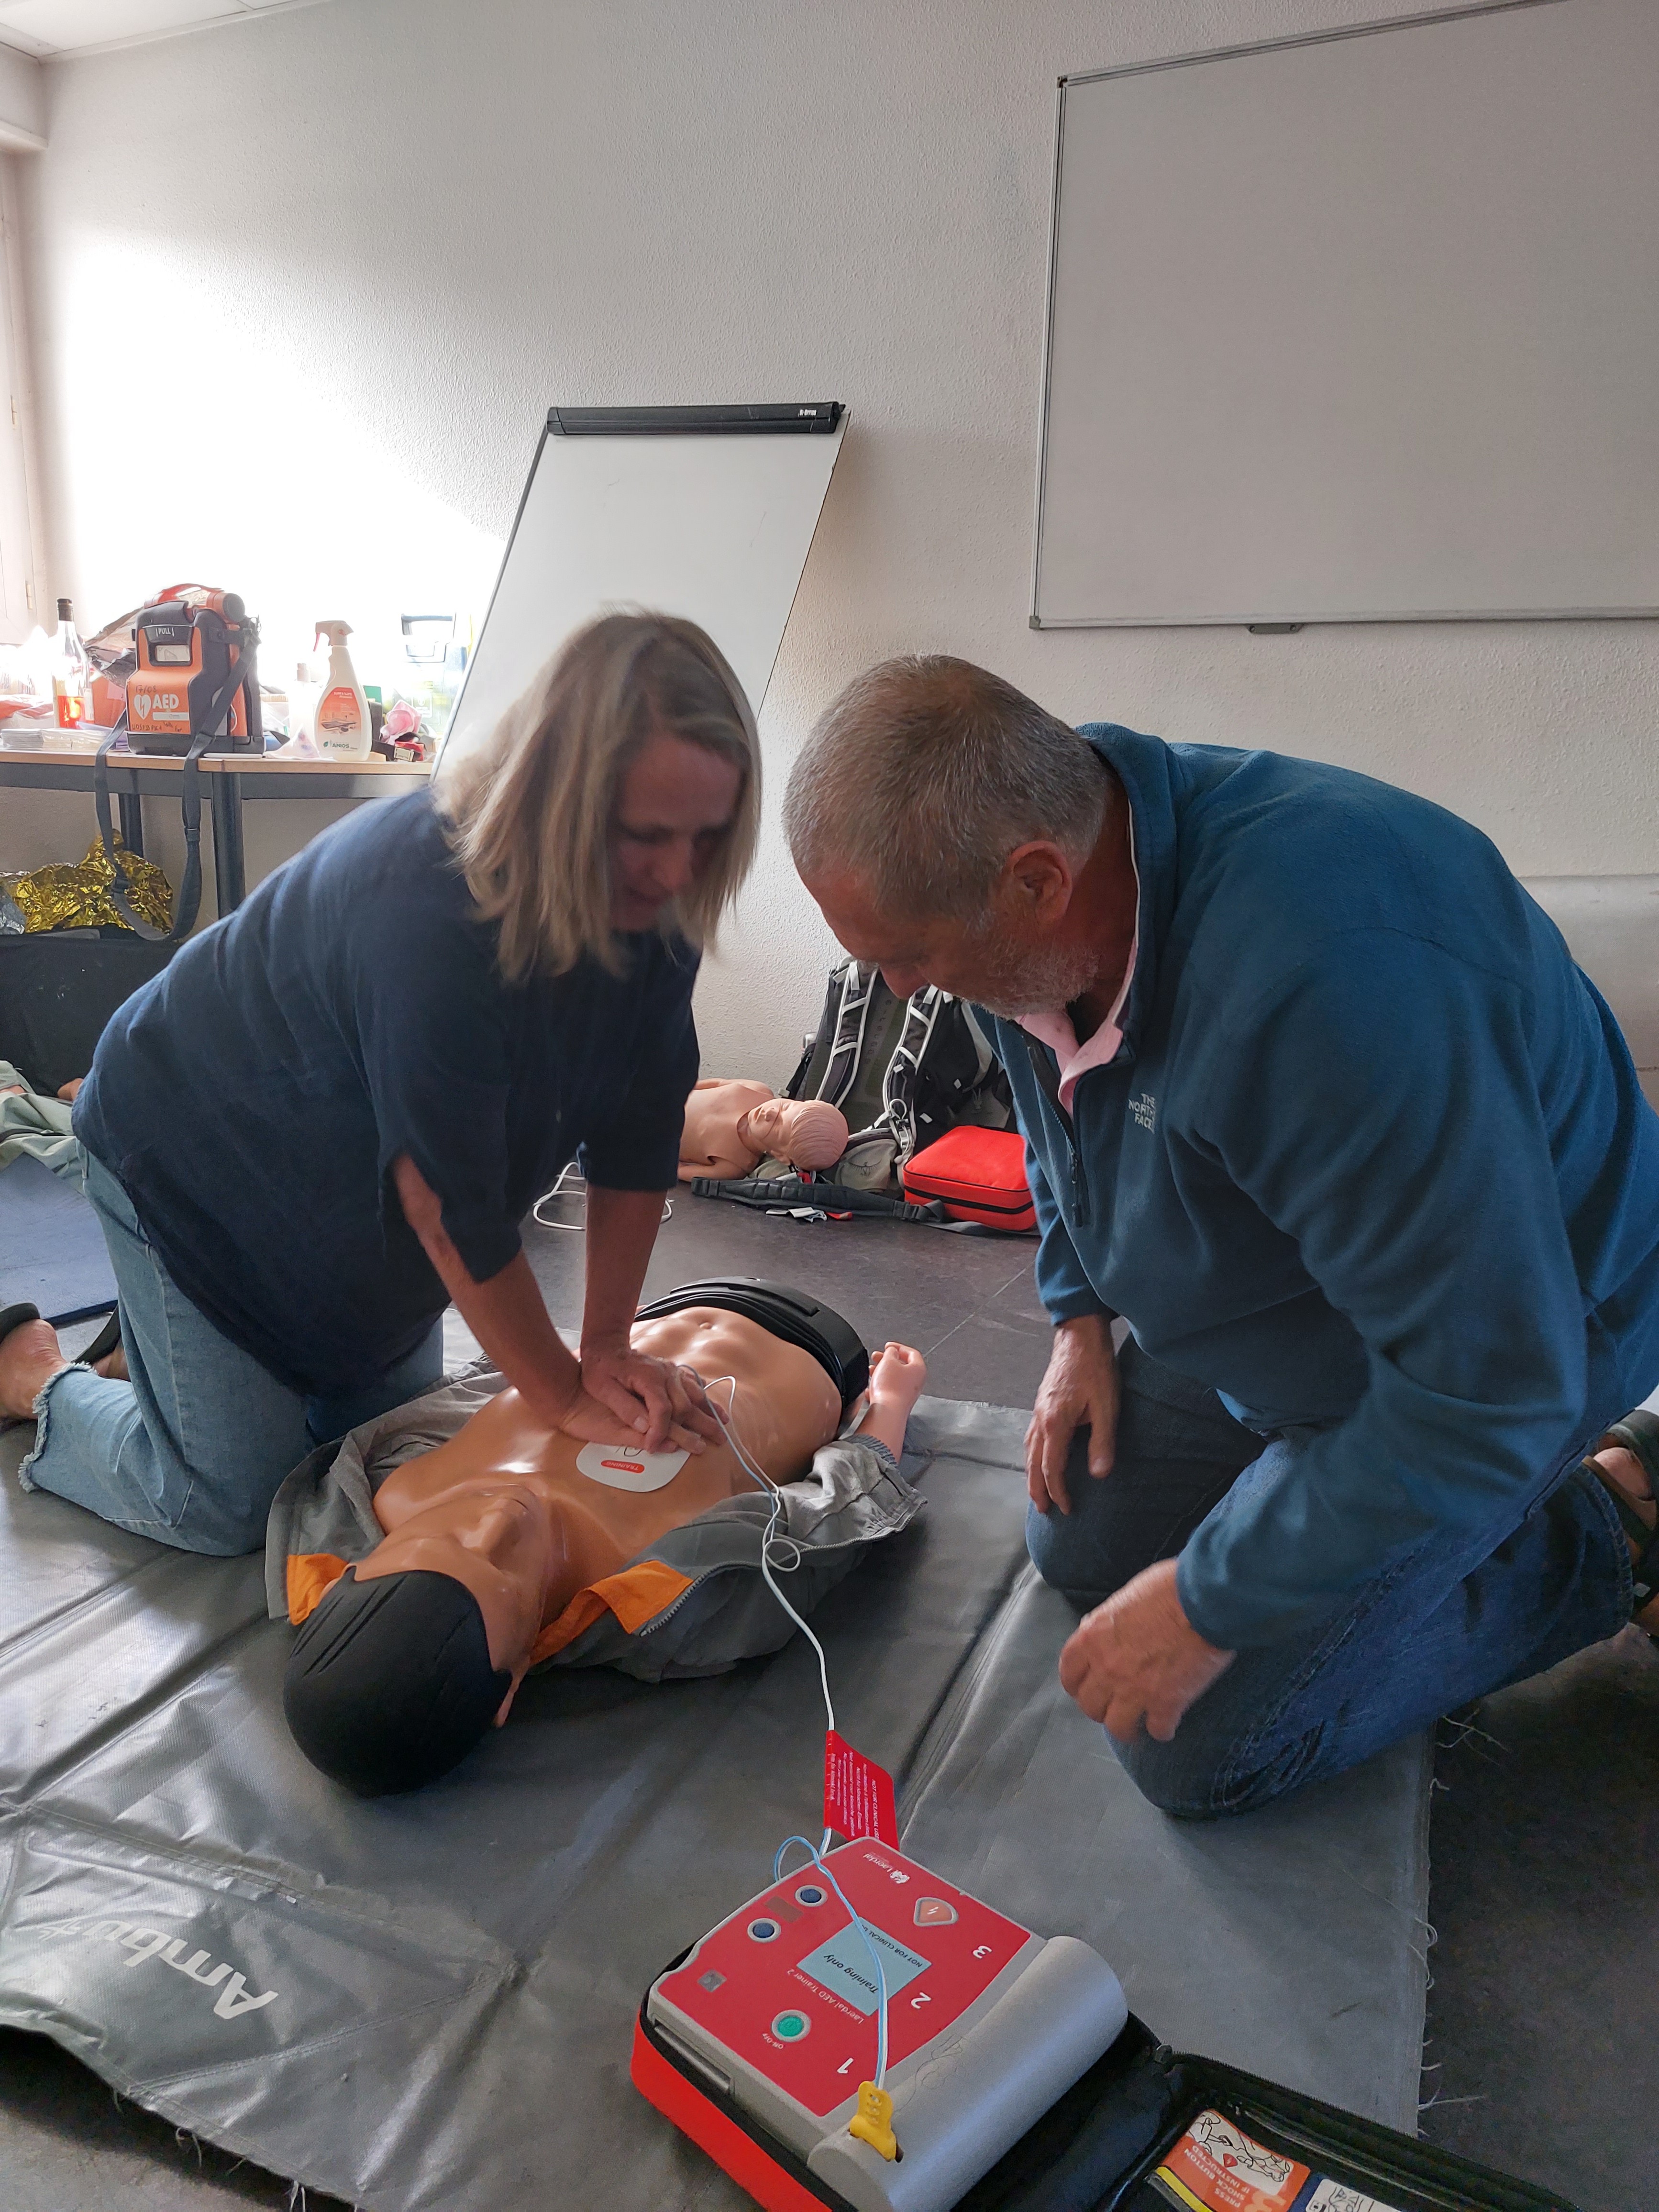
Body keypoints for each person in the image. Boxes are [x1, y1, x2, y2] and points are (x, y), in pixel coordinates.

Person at [784, 655, 1659, 1817]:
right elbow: (1057, 1121)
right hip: (1298, 1309)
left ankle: (1616, 1520)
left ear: (1036, 880)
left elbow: (1483, 1381)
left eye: (908, 959)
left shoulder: (1334, 982)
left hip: (1504, 1346)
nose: (895, 986)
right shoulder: (1061, 876)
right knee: (1074, 1536)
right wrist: (1078, 1316)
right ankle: (1323, 1500)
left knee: (1194, 1745)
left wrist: (1211, 1598)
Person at [0, 613, 762, 1556]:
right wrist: (563, 1392)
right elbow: (448, 1210)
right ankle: (38, 1377)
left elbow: (641, 1137)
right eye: (650, 834)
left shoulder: (657, 905)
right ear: (561, 801)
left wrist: (605, 1345)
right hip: (190, 1152)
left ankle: (160, 1354)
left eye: (707, 835)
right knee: (235, 1501)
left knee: (368, 1456)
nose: (682, 869)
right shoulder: (431, 908)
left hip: (341, 1183)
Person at [273, 1278, 927, 1793]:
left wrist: (605, 1336)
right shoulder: (673, 1593)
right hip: (820, 1348)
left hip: (658, 1311)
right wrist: (887, 1407)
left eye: (441, 1532)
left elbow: (469, 1391)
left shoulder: (387, 1490)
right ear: (509, 1690)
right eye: (502, 1564)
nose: (500, 1518)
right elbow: (838, 1508)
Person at [677, 1079, 849, 1181]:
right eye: (786, 1107)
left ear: (781, 1155)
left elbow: (678, 1171)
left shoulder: (734, 1165)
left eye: (778, 1126)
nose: (771, 1114)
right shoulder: (758, 1090)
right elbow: (717, 1083)